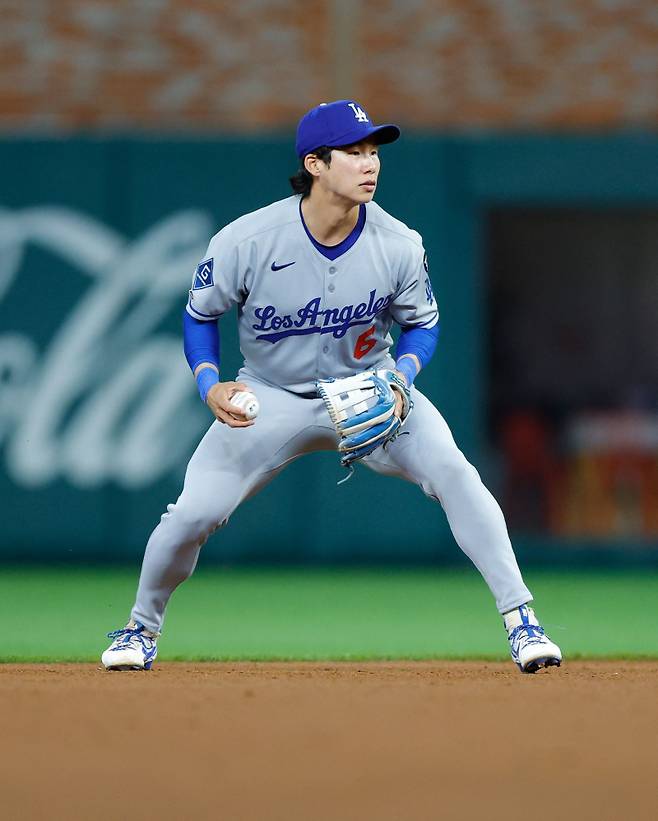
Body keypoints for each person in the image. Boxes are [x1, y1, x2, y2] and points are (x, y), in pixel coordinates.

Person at [101, 100, 562, 674]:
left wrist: (403, 377)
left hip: (372, 389)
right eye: (355, 151)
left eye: (374, 151)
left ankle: (523, 622)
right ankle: (139, 630)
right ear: (315, 164)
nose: (371, 163)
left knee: (456, 474)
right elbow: (200, 314)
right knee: (192, 515)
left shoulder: (399, 243)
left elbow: (422, 323)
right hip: (269, 396)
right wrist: (209, 384)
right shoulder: (247, 241)